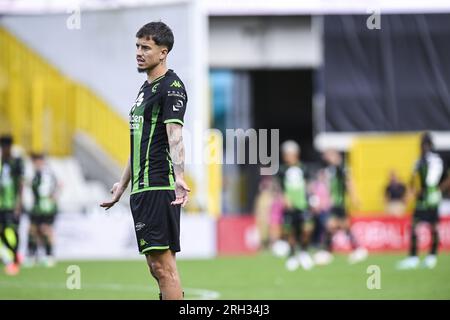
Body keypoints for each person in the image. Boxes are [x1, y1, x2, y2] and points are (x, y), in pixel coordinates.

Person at [100, 22, 189, 300]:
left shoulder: (171, 87)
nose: (138, 52)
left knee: (163, 268)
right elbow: (137, 142)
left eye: (145, 47)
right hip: (141, 187)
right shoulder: (144, 89)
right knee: (156, 266)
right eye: (137, 46)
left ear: (163, 52)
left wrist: (180, 177)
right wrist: (122, 185)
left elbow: (174, 136)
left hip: (157, 184)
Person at [397, 133, 445, 270]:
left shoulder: (435, 160)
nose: (423, 147)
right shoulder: (418, 161)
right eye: (422, 144)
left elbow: (439, 179)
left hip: (432, 198)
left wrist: (437, 189)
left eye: (425, 144)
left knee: (434, 227)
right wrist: (411, 193)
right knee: (413, 226)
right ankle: (413, 257)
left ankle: (432, 256)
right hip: (420, 199)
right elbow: (412, 181)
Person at [314, 149, 368, 265]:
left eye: (329, 155)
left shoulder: (341, 168)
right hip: (334, 204)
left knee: (334, 226)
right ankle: (356, 249)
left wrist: (354, 198)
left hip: (340, 203)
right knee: (338, 226)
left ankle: (329, 252)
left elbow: (349, 183)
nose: (326, 157)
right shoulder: (329, 170)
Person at [277, 140, 314, 271]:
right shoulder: (282, 170)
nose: (286, 156)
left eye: (289, 153)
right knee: (289, 231)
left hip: (303, 205)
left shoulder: (303, 168)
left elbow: (308, 186)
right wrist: (285, 199)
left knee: (307, 229)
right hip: (289, 206)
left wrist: (312, 200)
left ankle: (303, 252)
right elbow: (281, 189)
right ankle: (292, 255)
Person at [26, 153, 59, 267]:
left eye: (37, 161)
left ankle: (49, 256)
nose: (35, 164)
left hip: (47, 209)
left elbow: (57, 186)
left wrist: (54, 197)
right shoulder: (36, 174)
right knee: (33, 231)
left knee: (46, 230)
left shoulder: (46, 174)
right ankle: (33, 256)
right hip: (37, 208)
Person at [0, 134, 24, 275]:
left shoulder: (16, 163)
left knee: (13, 231)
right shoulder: (1, 163)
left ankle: (15, 259)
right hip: (1, 205)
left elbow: (20, 184)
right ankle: (14, 256)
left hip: (12, 204)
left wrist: (18, 204)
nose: (4, 148)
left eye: (6, 145)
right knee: (2, 232)